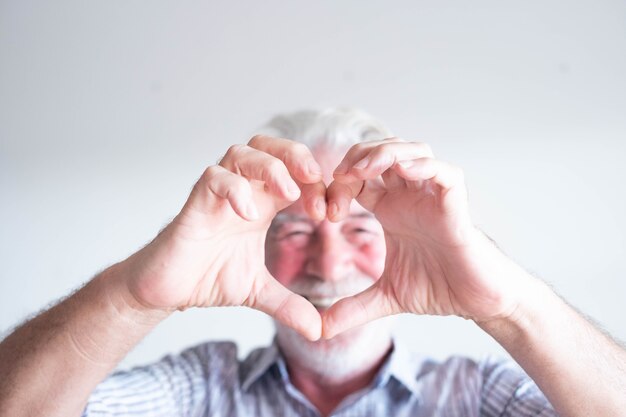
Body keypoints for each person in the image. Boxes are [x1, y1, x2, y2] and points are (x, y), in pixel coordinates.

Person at [0, 108, 624, 417]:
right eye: (294, 227)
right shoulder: (200, 391)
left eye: (360, 226)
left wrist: (511, 304)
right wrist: (131, 298)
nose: (328, 262)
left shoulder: (474, 395)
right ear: (255, 244)